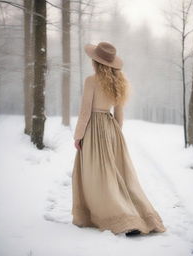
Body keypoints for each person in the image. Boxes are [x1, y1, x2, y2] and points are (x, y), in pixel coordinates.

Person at [71, 41, 166, 236]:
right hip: (112, 129)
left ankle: (121, 218)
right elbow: (119, 115)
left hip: (94, 130)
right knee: (120, 177)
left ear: (95, 62)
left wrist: (78, 136)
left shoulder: (91, 81)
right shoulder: (118, 83)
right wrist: (114, 134)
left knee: (99, 177)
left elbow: (85, 113)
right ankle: (139, 216)